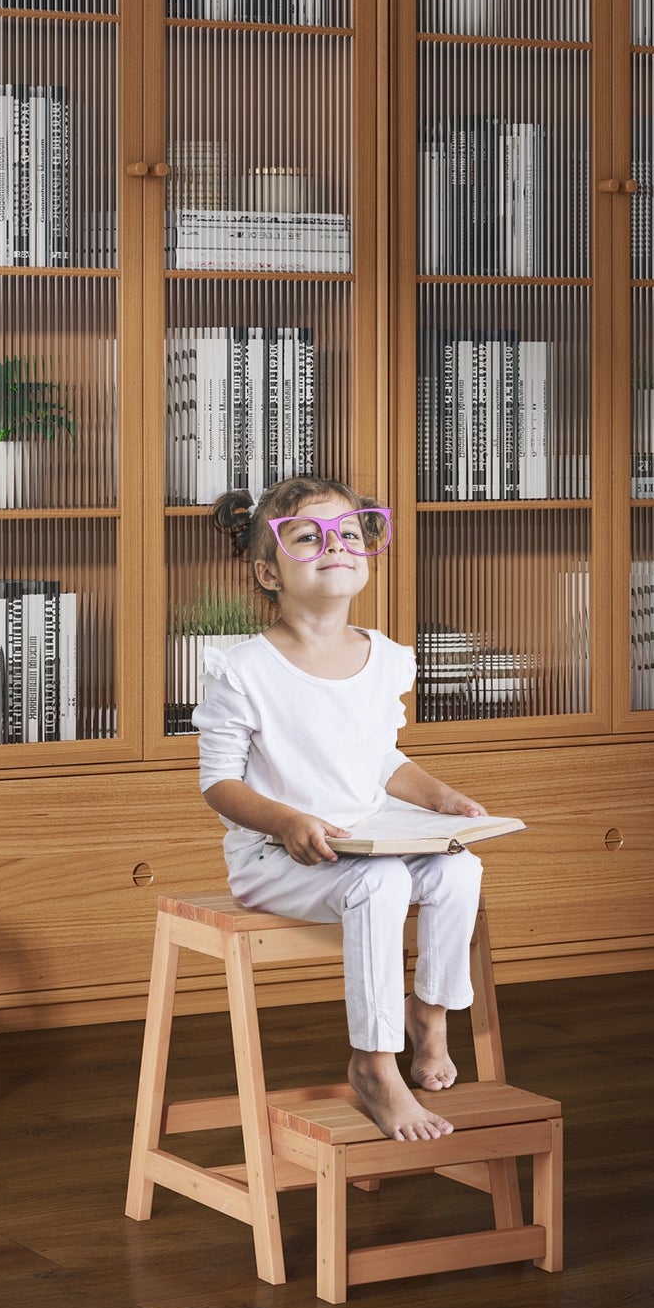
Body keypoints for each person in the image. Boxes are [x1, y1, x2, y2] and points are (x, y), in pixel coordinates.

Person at [193, 477, 489, 1141]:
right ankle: (375, 1064)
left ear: (366, 552)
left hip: (366, 837)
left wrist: (439, 796)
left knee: (457, 868)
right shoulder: (244, 669)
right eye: (308, 536)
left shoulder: (383, 657)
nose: (334, 545)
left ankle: (429, 1015)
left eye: (348, 533)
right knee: (381, 882)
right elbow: (217, 783)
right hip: (277, 857)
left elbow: (378, 759)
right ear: (269, 570)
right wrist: (286, 821)